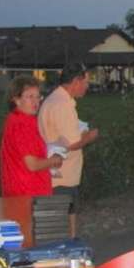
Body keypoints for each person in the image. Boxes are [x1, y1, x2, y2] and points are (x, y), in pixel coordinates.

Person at [38, 63, 99, 237]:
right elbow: (72, 143)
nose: (88, 86)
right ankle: (68, 251)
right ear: (75, 81)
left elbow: (66, 133)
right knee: (61, 225)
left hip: (61, 175)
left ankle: (70, 246)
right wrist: (90, 136)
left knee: (65, 218)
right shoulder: (62, 104)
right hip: (61, 177)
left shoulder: (58, 100)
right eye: (86, 82)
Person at [0, 76, 63, 197]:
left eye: (38, 96)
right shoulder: (21, 125)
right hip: (28, 194)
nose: (36, 101)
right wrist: (54, 160)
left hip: (23, 191)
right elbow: (32, 164)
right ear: (16, 100)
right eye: (30, 97)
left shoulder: (21, 119)